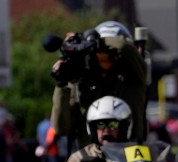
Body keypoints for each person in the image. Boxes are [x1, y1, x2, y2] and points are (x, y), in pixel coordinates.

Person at [50, 21, 147, 151]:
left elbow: (125, 48)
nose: (105, 57)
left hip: (130, 156)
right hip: (90, 158)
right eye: (99, 53)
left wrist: (90, 40)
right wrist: (61, 85)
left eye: (111, 52)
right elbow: (62, 128)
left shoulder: (133, 77)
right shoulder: (81, 82)